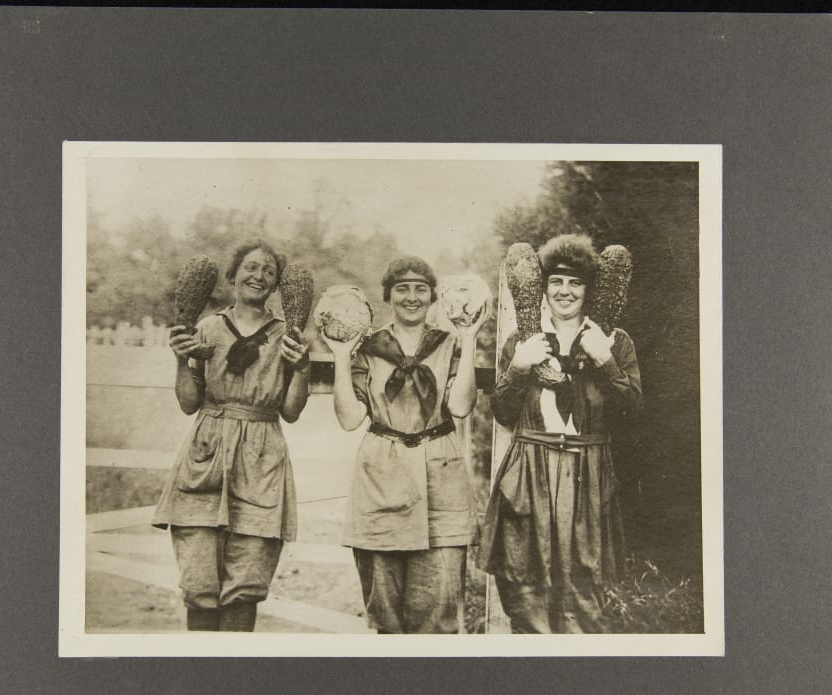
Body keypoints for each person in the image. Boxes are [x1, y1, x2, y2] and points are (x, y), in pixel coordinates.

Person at [478, 234, 642, 633]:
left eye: (575, 282)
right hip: (530, 469)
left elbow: (633, 412)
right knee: (526, 586)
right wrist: (518, 368)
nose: (565, 291)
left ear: (589, 289)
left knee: (584, 592)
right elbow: (502, 413)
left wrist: (604, 362)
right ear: (543, 287)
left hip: (588, 470)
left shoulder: (614, 342)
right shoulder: (523, 341)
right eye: (556, 281)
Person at [322, 256, 489, 634]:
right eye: (402, 289)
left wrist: (469, 337)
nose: (411, 297)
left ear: (433, 297)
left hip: (441, 478)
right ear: (388, 296)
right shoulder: (367, 348)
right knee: (386, 616)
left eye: (420, 288)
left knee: (439, 615)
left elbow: (461, 406)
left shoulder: (449, 344)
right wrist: (340, 356)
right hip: (382, 477)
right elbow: (349, 419)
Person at [152, 240, 310, 632]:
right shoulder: (207, 328)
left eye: (269, 272)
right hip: (207, 451)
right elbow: (189, 403)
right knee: (199, 580)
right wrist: (180, 358)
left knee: (246, 582)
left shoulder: (285, 336)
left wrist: (302, 368)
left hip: (261, 456)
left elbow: (290, 411)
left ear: (276, 286)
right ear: (234, 275)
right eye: (251, 267)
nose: (259, 276)